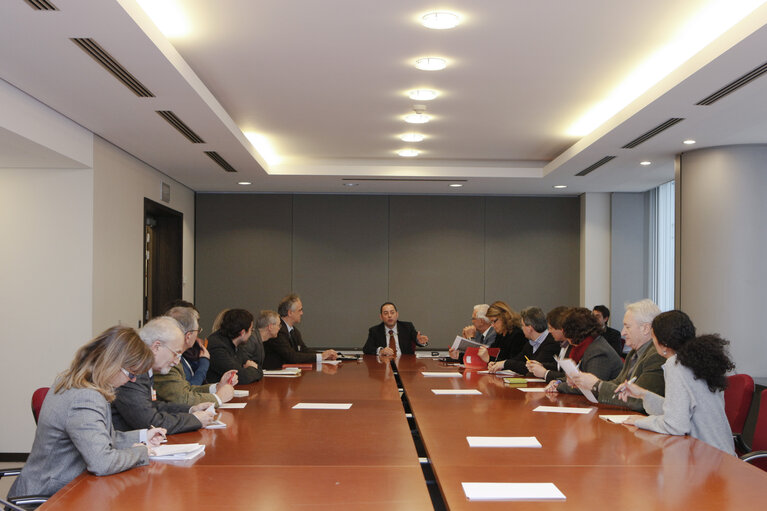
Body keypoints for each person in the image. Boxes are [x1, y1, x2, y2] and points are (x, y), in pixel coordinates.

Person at [8, 327, 166, 499]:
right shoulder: (86, 396)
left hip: (63, 485)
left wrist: (142, 436)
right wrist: (142, 452)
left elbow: (100, 439)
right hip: (52, 495)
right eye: (131, 374)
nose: (132, 380)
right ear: (111, 363)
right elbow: (102, 462)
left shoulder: (76, 381)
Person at [620, 311, 736, 455]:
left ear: (664, 344)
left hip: (706, 459)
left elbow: (675, 425)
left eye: (653, 336)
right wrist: (644, 395)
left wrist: (640, 421)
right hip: (722, 454)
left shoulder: (675, 365)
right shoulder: (699, 361)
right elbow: (678, 411)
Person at [111, 317, 215, 434]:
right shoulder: (134, 371)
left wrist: (191, 410)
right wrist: (194, 419)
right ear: (156, 347)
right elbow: (150, 422)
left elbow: (151, 406)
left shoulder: (144, 368)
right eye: (176, 354)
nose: (176, 361)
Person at [569, 299, 664, 412]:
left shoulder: (656, 356)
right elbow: (618, 384)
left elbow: (640, 401)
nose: (623, 332)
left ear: (646, 329)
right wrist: (586, 384)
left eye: (627, 327)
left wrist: (596, 385)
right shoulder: (633, 353)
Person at [153, 306, 238, 406]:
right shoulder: (165, 359)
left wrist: (217, 387)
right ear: (189, 335)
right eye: (198, 331)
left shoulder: (178, 356)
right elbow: (182, 399)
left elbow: (186, 389)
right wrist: (218, 398)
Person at [543, 307, 623, 393]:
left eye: (564, 329)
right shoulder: (587, 346)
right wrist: (558, 381)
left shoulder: (598, 351)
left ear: (572, 331)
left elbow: (590, 388)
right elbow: (577, 377)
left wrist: (559, 386)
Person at [263, 294, 338, 369]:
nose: (302, 313)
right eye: (300, 310)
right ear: (290, 313)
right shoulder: (278, 331)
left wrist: (324, 355)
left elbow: (304, 350)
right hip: (275, 376)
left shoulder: (294, 331)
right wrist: (320, 356)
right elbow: (292, 357)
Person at [487, 306, 559, 374]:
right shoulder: (530, 343)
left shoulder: (551, 343)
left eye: (522, 325)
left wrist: (505, 364)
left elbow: (531, 368)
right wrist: (497, 364)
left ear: (529, 328)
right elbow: (517, 360)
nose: (521, 328)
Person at [207, 309, 263, 384]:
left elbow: (258, 368)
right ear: (242, 332)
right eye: (251, 330)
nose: (251, 333)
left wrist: (251, 369)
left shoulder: (237, 344)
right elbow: (241, 377)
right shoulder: (217, 347)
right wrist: (252, 368)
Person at [362, 302, 429, 356]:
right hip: (384, 365)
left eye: (392, 312)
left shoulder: (407, 327)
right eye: (386, 313)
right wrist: (381, 351)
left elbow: (416, 338)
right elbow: (367, 349)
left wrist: (420, 341)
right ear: (381, 317)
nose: (389, 316)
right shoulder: (375, 331)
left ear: (397, 314)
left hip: (405, 365)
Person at [526, 306, 572, 382]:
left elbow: (569, 377)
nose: (549, 331)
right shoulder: (564, 344)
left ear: (561, 329)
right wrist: (541, 365)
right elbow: (558, 367)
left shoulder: (572, 347)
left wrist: (545, 373)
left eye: (551, 328)